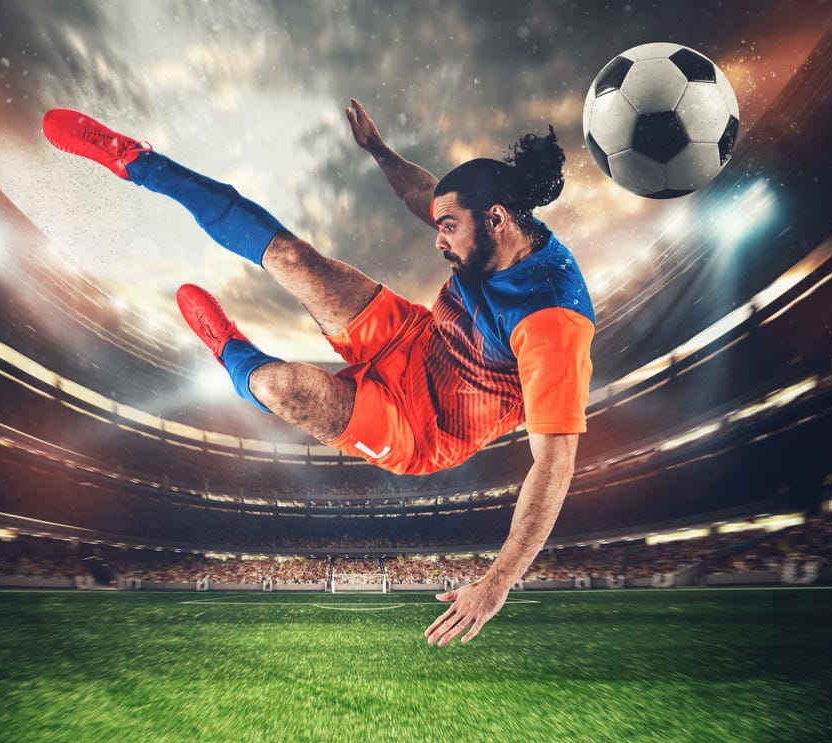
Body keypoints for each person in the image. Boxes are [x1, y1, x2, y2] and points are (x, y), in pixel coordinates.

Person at [42, 99, 595, 646]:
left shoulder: (553, 324)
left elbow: (555, 462)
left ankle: (232, 352)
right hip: (412, 336)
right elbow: (418, 192)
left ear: (495, 221)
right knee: (293, 259)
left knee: (287, 387)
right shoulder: (494, 221)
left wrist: (498, 583)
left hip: (422, 427)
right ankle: (135, 160)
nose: (438, 240)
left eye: (448, 227)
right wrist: (380, 152)